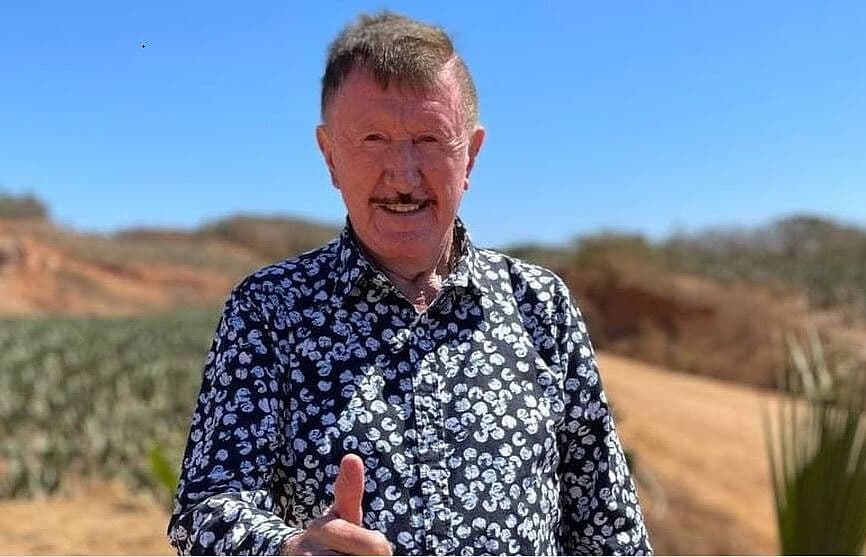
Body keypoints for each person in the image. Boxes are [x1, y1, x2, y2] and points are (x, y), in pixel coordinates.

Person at [168, 11, 651, 556]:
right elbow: (206, 509)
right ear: (329, 156)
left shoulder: (541, 305)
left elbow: (610, 529)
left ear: (470, 155)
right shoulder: (268, 311)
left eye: (429, 139)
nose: (403, 175)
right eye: (373, 139)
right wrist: (290, 549)